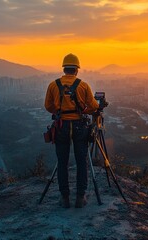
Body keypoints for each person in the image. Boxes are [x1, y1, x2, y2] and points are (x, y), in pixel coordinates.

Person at [44, 53, 100, 208]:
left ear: (64, 68)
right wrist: (84, 110)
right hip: (79, 126)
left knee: (62, 162)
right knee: (81, 161)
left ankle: (64, 198)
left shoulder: (53, 85)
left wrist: (59, 110)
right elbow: (94, 106)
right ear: (76, 70)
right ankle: (80, 198)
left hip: (61, 126)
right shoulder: (83, 85)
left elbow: (48, 106)